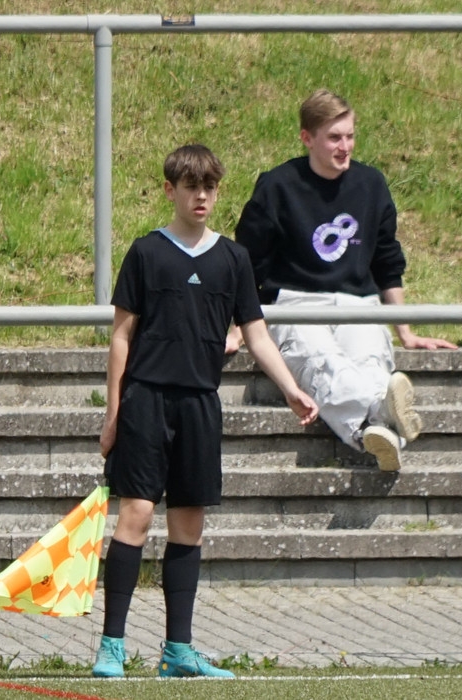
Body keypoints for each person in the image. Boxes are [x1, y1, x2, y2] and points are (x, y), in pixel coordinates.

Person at [91, 144, 318, 679]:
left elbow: (256, 334)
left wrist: (291, 388)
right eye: (191, 187)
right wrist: (113, 413)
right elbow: (121, 337)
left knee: (189, 524)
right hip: (146, 400)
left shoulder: (233, 259)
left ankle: (178, 651)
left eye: (209, 188)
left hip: (199, 405)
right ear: (170, 190)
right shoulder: (146, 252)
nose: (201, 196)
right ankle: (111, 646)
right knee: (136, 515)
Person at [234, 88, 456, 472]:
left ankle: (372, 431)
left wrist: (404, 331)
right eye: (334, 138)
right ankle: (383, 418)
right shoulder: (278, 186)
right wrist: (238, 326)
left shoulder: (371, 184)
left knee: (371, 363)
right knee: (323, 364)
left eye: (350, 136)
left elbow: (387, 261)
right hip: (296, 303)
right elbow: (248, 263)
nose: (345, 146)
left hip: (359, 303)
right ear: (307, 138)